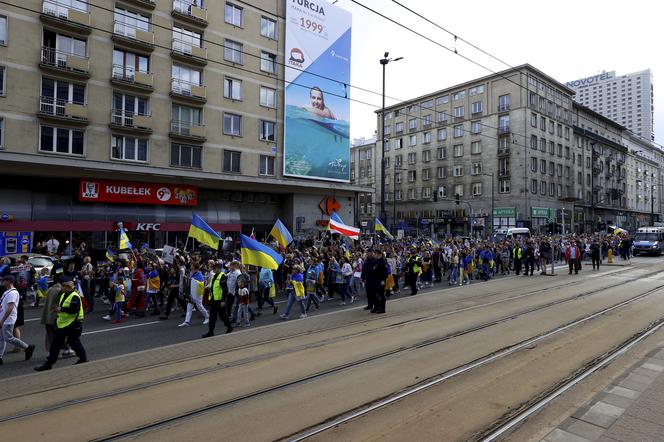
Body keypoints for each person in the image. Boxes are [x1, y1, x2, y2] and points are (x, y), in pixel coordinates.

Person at [34, 280, 87, 371]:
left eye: (64, 287)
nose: (62, 288)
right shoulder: (63, 295)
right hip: (64, 324)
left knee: (69, 343)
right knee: (63, 343)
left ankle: (49, 364)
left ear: (69, 288)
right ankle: (82, 358)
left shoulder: (74, 296)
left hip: (73, 324)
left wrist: (61, 308)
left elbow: (74, 309)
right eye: (62, 286)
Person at [0, 276, 36, 365]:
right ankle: (0, 357)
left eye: (3, 281)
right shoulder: (7, 292)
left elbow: (10, 307)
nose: (2, 282)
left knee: (8, 338)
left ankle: (27, 348)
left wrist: (3, 320)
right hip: (3, 318)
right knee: (1, 338)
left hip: (8, 320)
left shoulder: (12, 293)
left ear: (9, 282)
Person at [202, 262, 232, 337]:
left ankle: (229, 327)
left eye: (214, 268)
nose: (213, 269)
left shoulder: (222, 276)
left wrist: (223, 300)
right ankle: (210, 331)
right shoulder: (214, 276)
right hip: (213, 300)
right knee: (212, 317)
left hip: (219, 300)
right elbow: (214, 287)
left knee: (223, 316)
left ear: (218, 268)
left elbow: (225, 289)